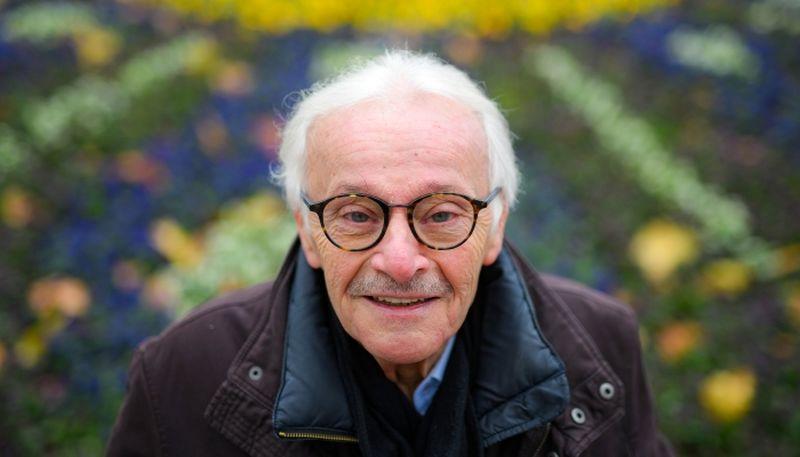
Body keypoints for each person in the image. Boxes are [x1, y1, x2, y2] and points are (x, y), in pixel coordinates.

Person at [107, 50, 673, 457]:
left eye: (442, 214)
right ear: (307, 229)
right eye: (356, 214)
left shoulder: (601, 344)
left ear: (495, 226)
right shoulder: (182, 373)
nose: (400, 262)